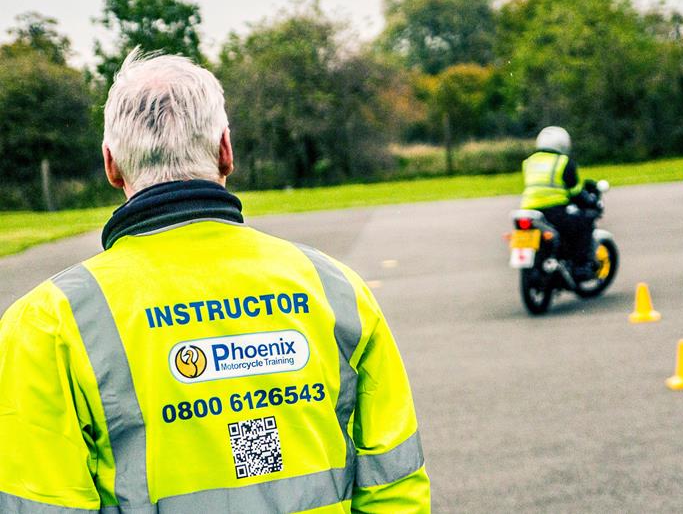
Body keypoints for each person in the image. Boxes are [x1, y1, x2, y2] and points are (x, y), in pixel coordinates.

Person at [0, 49, 430, 513]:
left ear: (111, 164)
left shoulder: (47, 323)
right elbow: (394, 487)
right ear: (226, 150)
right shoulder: (337, 289)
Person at [520, 126, 595, 278]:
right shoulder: (563, 162)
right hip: (554, 210)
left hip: (528, 210)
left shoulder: (528, 162)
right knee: (584, 222)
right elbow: (575, 192)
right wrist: (590, 201)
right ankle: (581, 266)